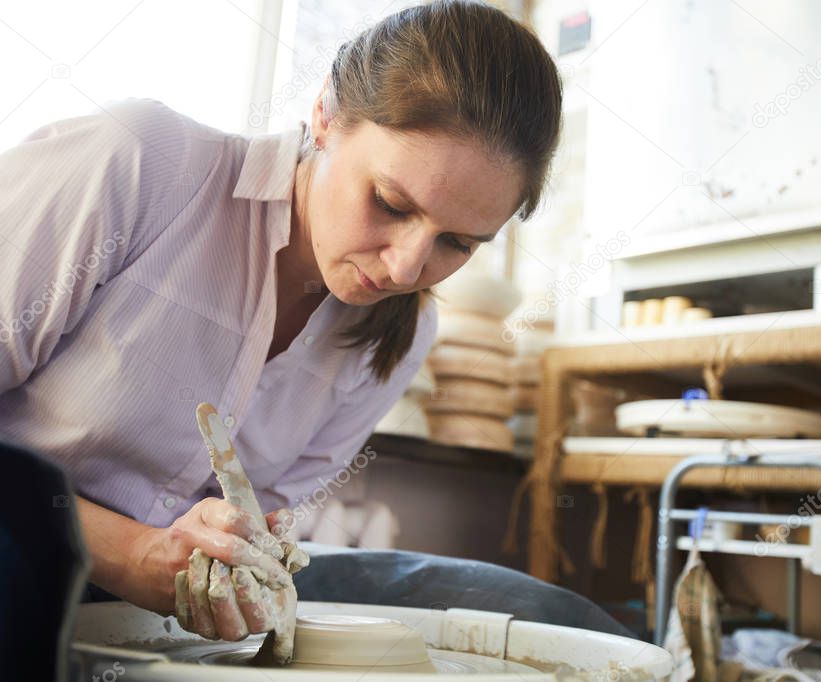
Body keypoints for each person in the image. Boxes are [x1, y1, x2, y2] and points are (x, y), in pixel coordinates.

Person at [0, 0, 562, 657]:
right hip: (23, 550)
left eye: (458, 243)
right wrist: (128, 551)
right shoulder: (139, 163)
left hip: (144, 596)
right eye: (389, 203)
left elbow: (247, 531)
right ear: (326, 114)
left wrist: (234, 556)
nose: (407, 266)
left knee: (522, 606)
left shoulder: (402, 336)